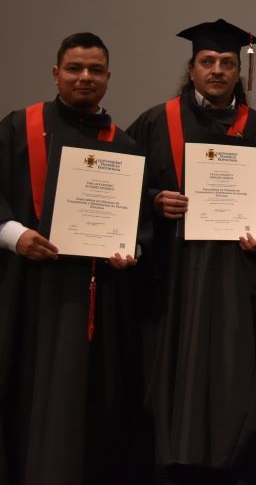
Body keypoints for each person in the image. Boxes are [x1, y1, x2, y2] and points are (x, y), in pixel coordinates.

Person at [126, 19, 256, 485]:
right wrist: (154, 199)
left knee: (233, 371)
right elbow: (120, 190)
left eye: (227, 63)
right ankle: (172, 461)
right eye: (207, 62)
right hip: (173, 274)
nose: (217, 70)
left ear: (239, 72)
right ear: (191, 69)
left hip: (236, 275)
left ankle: (232, 462)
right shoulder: (157, 121)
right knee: (172, 371)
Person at [0, 32, 148, 485]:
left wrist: (133, 248)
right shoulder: (16, 127)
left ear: (108, 77)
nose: (85, 78)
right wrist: (14, 234)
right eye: (74, 69)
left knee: (89, 409)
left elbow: (139, 219)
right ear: (55, 73)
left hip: (94, 295)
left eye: (95, 70)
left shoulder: (122, 145)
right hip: (26, 291)